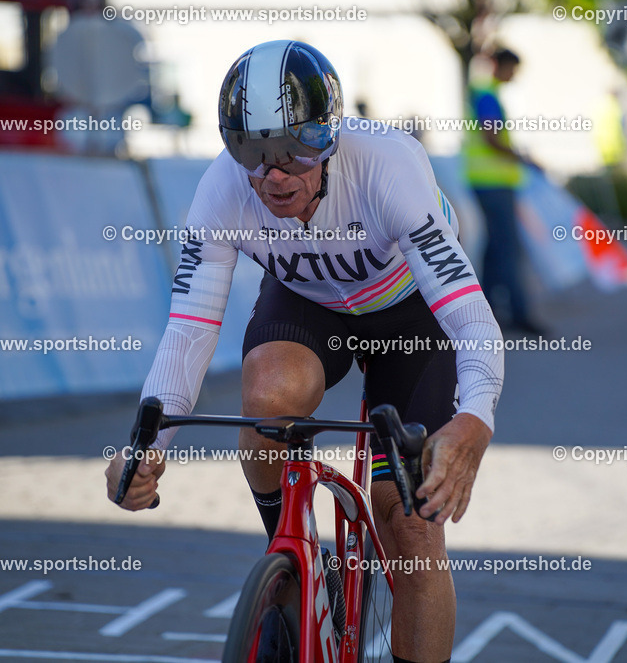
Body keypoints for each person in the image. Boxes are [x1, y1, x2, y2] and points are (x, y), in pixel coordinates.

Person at [104, 40, 504, 663]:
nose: (273, 174)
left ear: (330, 137)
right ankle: (295, 562)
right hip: (311, 304)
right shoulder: (221, 192)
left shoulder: (388, 167)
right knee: (267, 402)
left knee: (411, 529)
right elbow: (187, 331)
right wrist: (144, 451)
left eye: (294, 150)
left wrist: (474, 418)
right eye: (252, 153)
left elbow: (472, 319)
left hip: (410, 310)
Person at [462, 47, 547, 334]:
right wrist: (522, 158)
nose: (514, 74)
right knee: (508, 249)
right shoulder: (487, 95)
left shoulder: (485, 93)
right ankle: (519, 313)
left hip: (487, 181)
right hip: (494, 183)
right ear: (499, 66)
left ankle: (485, 310)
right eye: (512, 68)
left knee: (496, 249)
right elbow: (491, 139)